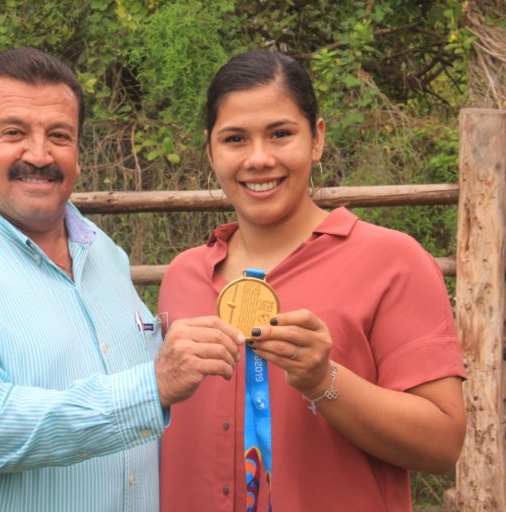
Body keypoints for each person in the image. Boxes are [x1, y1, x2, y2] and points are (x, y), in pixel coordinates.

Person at [0, 47, 245, 511]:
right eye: (14, 132)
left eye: (59, 135)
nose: (39, 155)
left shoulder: (102, 253)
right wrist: (152, 387)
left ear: (78, 154)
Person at [158, 50, 466, 512]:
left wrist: (326, 381)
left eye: (281, 134)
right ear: (210, 150)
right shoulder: (183, 276)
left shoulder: (392, 261)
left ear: (317, 139)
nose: (259, 159)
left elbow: (442, 444)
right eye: (235, 139)